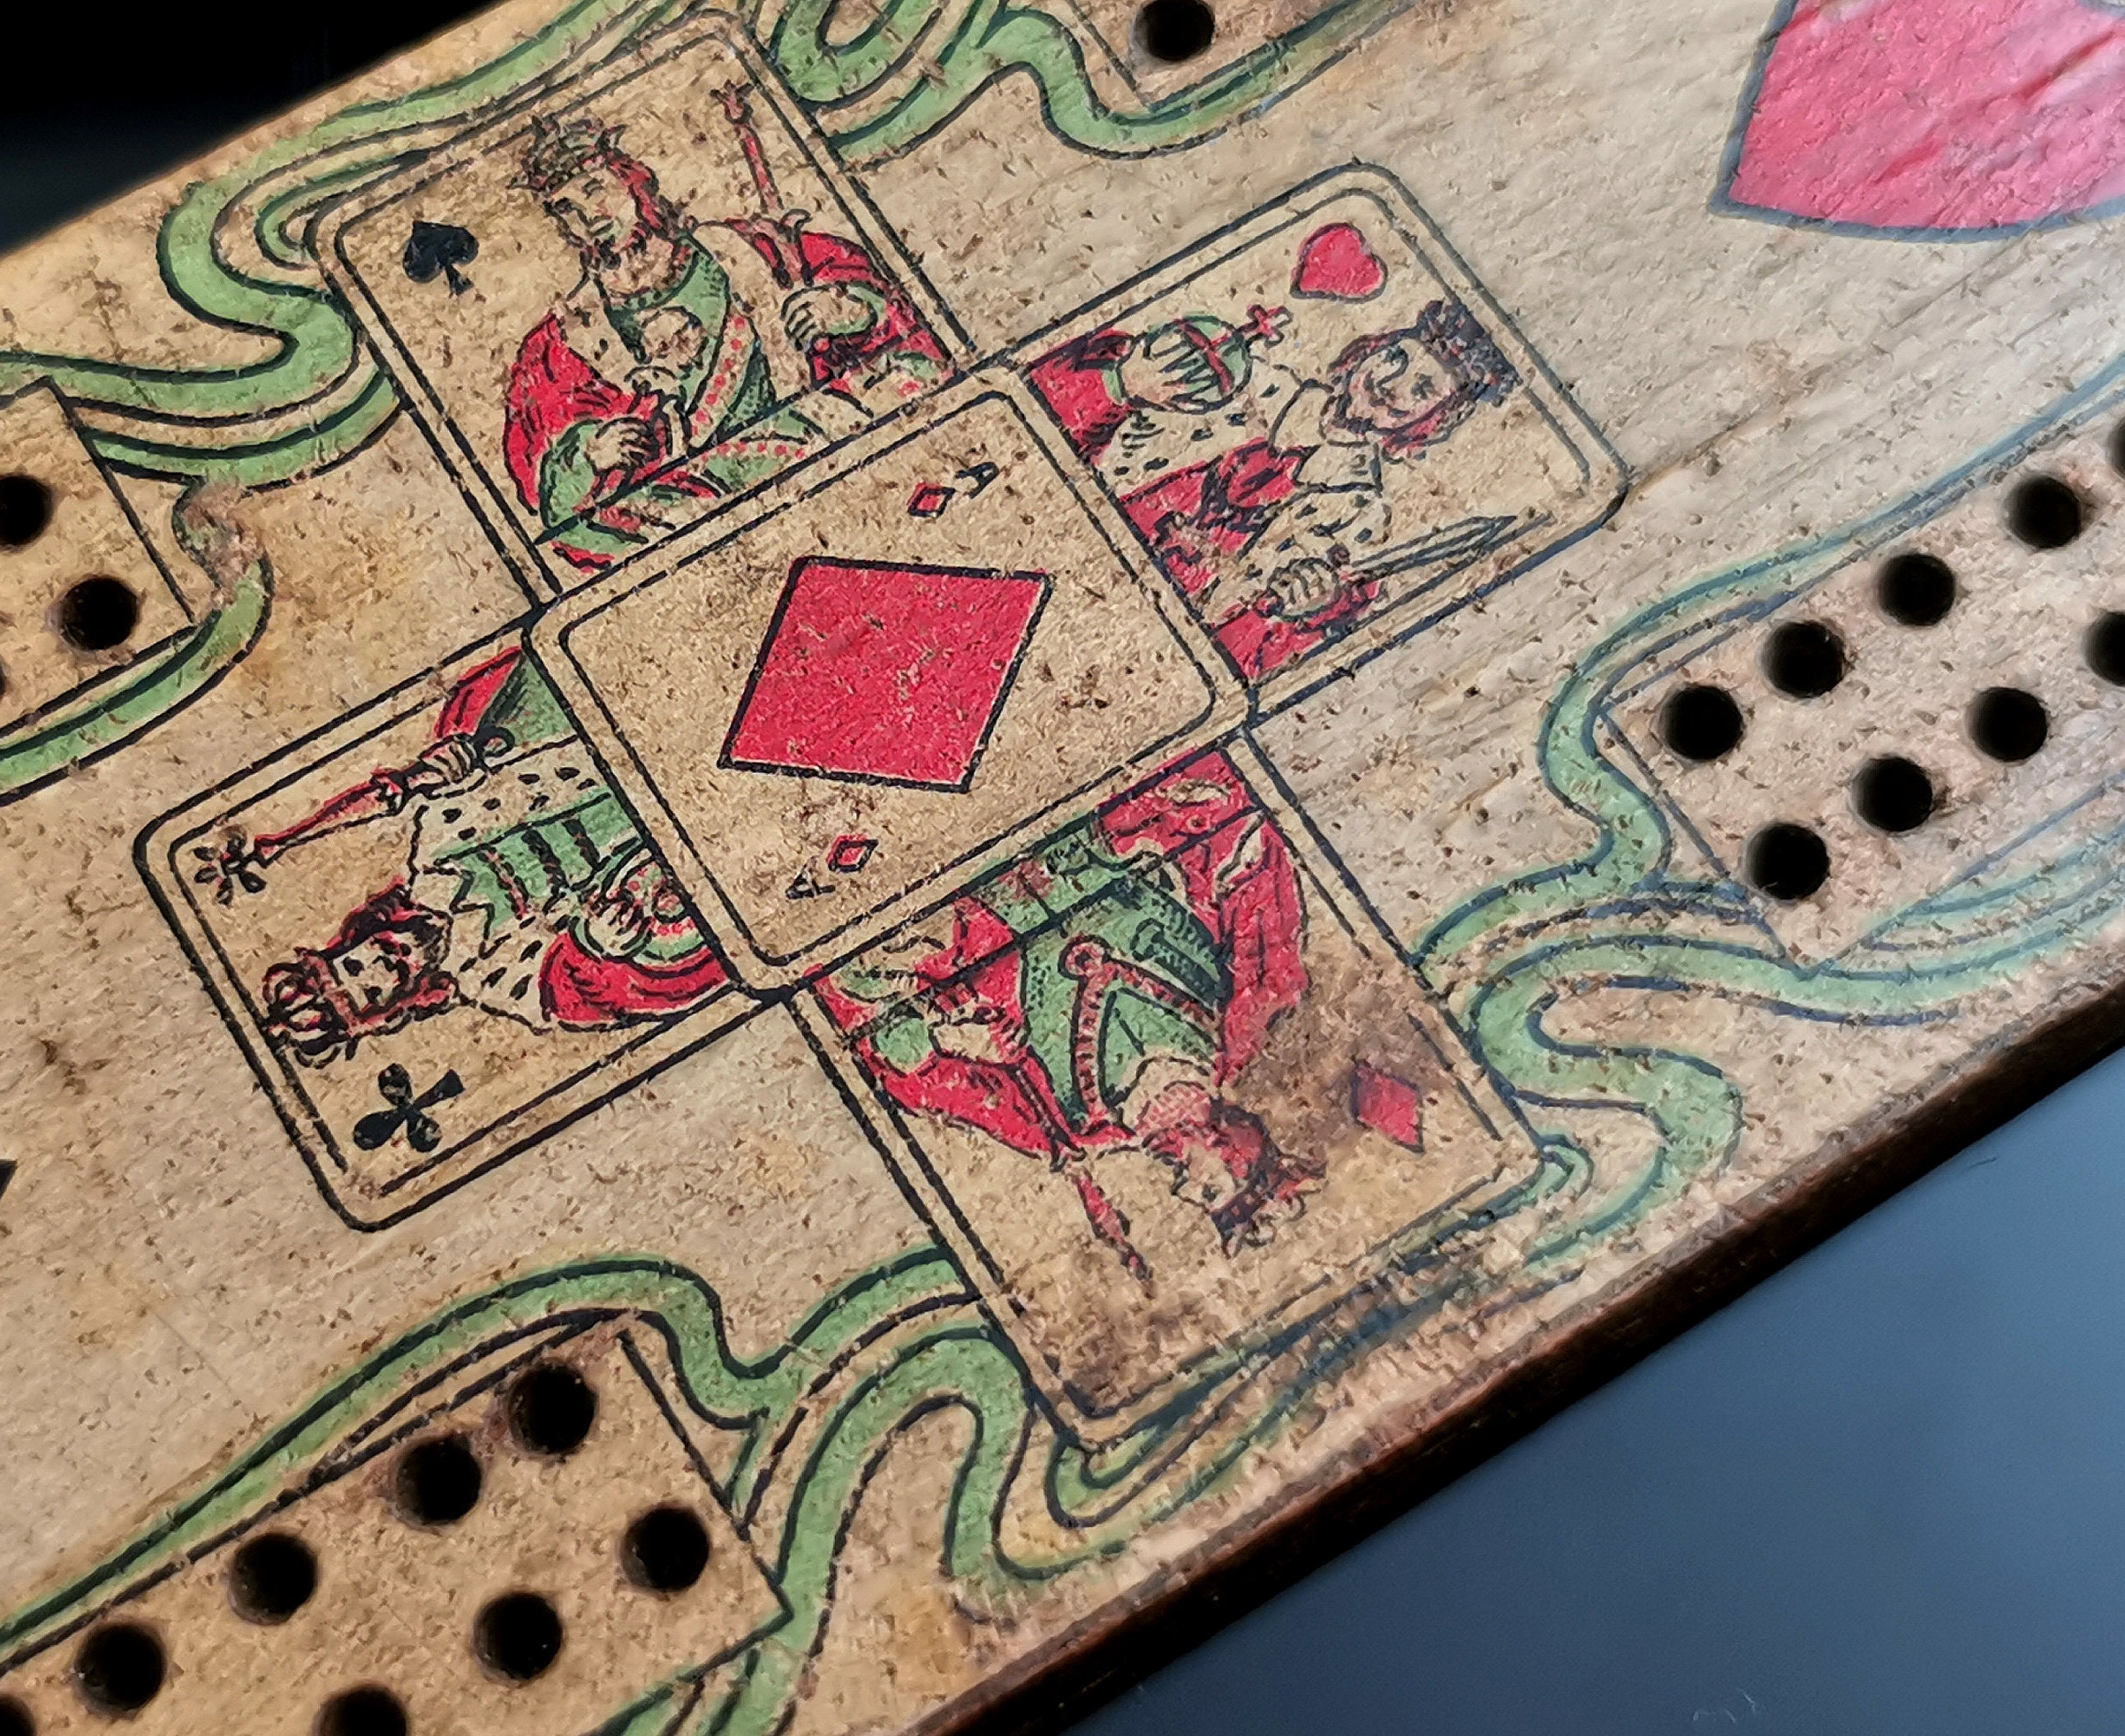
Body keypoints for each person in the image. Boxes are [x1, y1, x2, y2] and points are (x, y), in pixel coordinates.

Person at [814, 750, 1331, 1282]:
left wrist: (924, 1008)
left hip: (933, 883)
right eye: (1209, 1189)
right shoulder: (1249, 1011)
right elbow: (1241, 840)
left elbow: (908, 1072)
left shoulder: (1066, 1130)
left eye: (1196, 1199)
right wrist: (1125, 834)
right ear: (1236, 1153)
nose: (1181, 1188)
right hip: (1054, 783)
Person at [198, 652, 726, 1065]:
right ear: (398, 1001)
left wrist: (463, 761)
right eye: (375, 986)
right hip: (665, 851)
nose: (382, 963)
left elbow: (471, 770)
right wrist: (595, 944)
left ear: (355, 937)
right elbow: (580, 994)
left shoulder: (435, 850)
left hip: (615, 755)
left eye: (356, 962)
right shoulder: (499, 981)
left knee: (492, 710)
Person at [501, 112, 949, 564]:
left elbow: (884, 305)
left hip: (818, 438)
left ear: (629, 180)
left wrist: (850, 310)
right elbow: (550, 495)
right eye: (566, 209)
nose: (587, 217)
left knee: (899, 385)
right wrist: (588, 456)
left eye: (594, 190)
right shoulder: (566, 340)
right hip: (696, 501)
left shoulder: (744, 249)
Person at [1029, 298, 1514, 678]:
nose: (1391, 384)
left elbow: (1246, 662)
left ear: (1431, 422)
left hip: (1136, 647)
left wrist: (1302, 614)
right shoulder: (1244, 379)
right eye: (1394, 358)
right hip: (1058, 537)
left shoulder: (1359, 517)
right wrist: (1122, 385)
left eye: (1422, 390)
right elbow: (1043, 420)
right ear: (1368, 349)